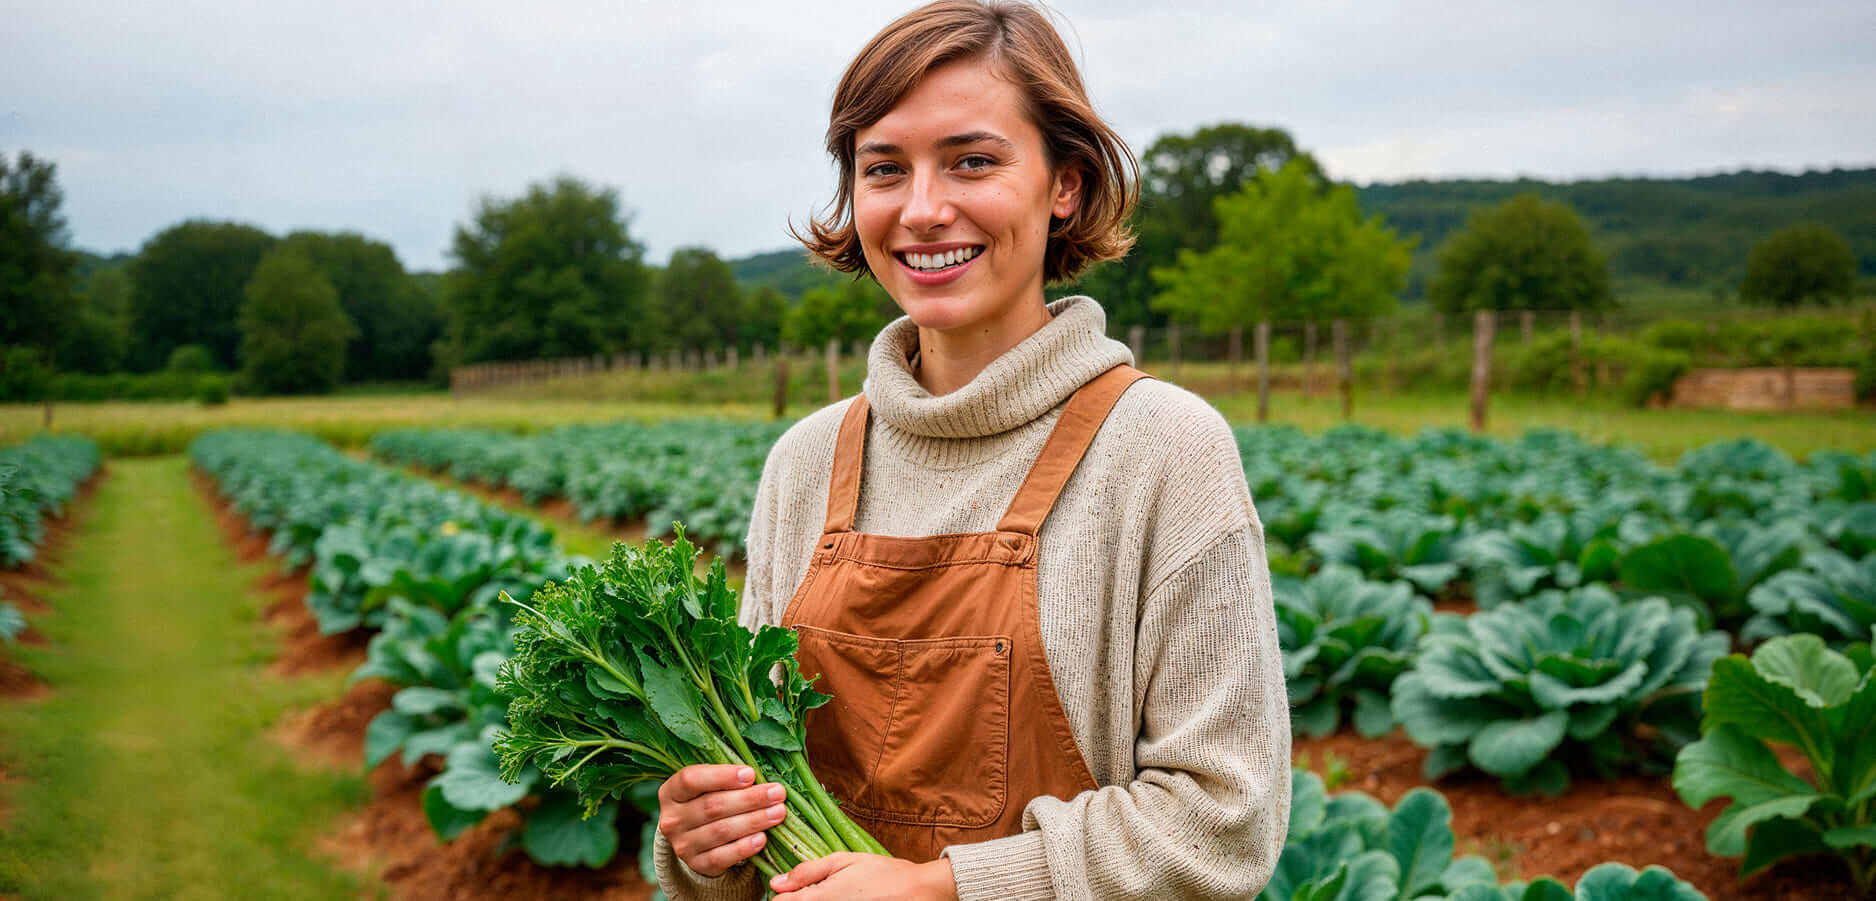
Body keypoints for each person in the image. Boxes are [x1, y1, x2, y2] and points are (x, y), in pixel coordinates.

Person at [654, 2, 1289, 898]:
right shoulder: (804, 462)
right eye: (884, 168)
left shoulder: (1164, 450)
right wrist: (704, 840)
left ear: (1064, 184)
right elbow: (761, 797)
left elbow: (1223, 823)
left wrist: (935, 888)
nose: (922, 209)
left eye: (973, 161)